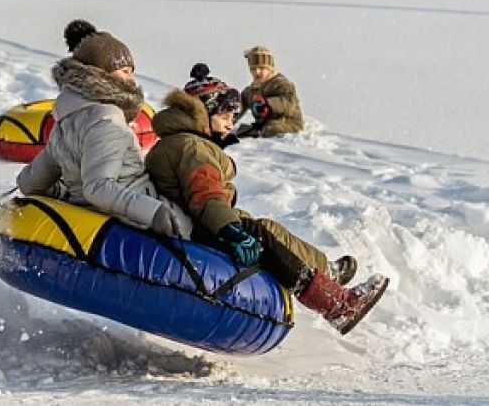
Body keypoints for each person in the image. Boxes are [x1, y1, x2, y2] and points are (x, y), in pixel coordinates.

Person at [144, 64, 389, 334]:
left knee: (265, 228)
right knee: (258, 235)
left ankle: (326, 272)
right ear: (204, 113)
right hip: (198, 229)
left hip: (196, 222)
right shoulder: (191, 147)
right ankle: (336, 305)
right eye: (225, 115)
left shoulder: (183, 142)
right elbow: (206, 197)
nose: (229, 123)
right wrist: (231, 231)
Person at [17, 20, 192, 240]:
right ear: (101, 73)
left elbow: (29, 182)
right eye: (125, 71)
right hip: (135, 220)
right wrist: (154, 212)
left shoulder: (65, 121)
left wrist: (66, 194)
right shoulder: (107, 119)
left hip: (93, 220)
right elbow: (99, 187)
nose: (132, 80)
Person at [235, 46, 304, 138]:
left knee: (272, 128)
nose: (257, 72)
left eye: (261, 68)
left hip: (288, 123)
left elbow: (289, 103)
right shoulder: (250, 91)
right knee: (242, 131)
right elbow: (239, 108)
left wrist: (268, 103)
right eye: (253, 69)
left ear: (270, 69)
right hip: (263, 124)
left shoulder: (281, 83)